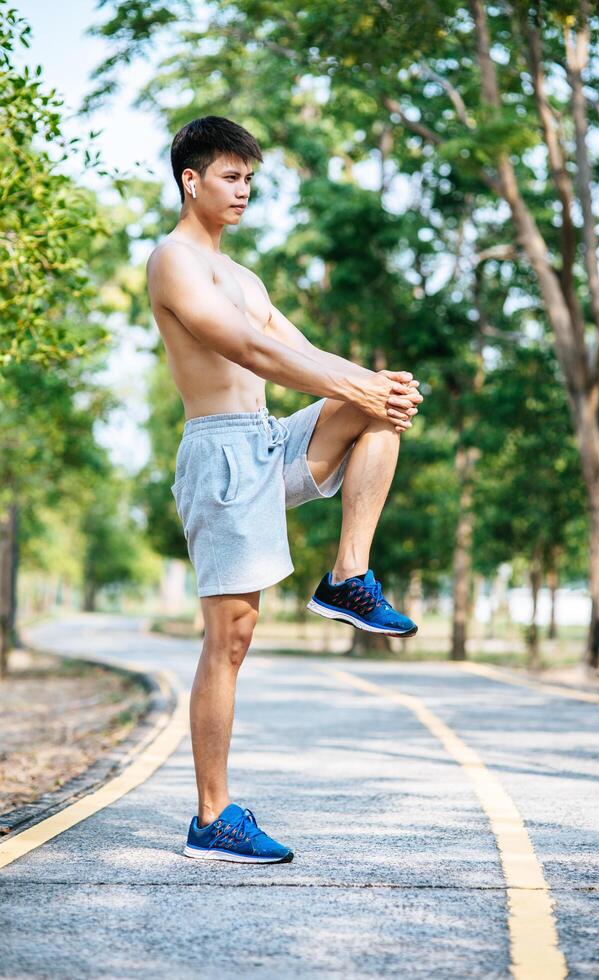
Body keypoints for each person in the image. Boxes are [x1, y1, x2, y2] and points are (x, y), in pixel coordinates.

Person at [146, 116, 424, 865]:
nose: (244, 191)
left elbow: (298, 350)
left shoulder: (246, 278)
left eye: (250, 180)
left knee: (377, 411)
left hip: (270, 440)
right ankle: (212, 816)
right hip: (221, 455)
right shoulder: (173, 261)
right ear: (191, 180)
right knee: (230, 638)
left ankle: (349, 578)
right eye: (232, 177)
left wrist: (376, 385)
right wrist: (357, 380)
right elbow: (249, 349)